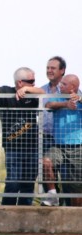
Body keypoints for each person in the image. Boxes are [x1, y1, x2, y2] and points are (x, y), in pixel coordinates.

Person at [0, 67, 45, 205]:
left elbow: (43, 91)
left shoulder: (33, 94)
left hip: (32, 146)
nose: (34, 83)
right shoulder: (7, 91)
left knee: (29, 182)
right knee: (13, 182)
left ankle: (24, 214)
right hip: (13, 147)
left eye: (34, 81)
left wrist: (27, 89)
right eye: (31, 81)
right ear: (19, 82)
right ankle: (6, 211)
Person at [43, 74, 82, 206]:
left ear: (73, 87)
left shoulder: (80, 96)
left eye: (64, 84)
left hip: (78, 148)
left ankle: (76, 222)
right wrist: (65, 104)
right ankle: (53, 195)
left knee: (76, 189)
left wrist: (80, 99)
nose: (60, 85)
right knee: (46, 161)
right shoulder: (58, 94)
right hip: (58, 145)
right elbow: (48, 105)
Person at [40, 56, 67, 206]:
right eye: (48, 68)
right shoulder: (42, 90)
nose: (49, 71)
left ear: (62, 70)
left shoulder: (68, 90)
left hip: (61, 138)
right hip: (44, 136)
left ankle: (67, 205)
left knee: (67, 175)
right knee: (46, 168)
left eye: (53, 68)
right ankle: (52, 200)